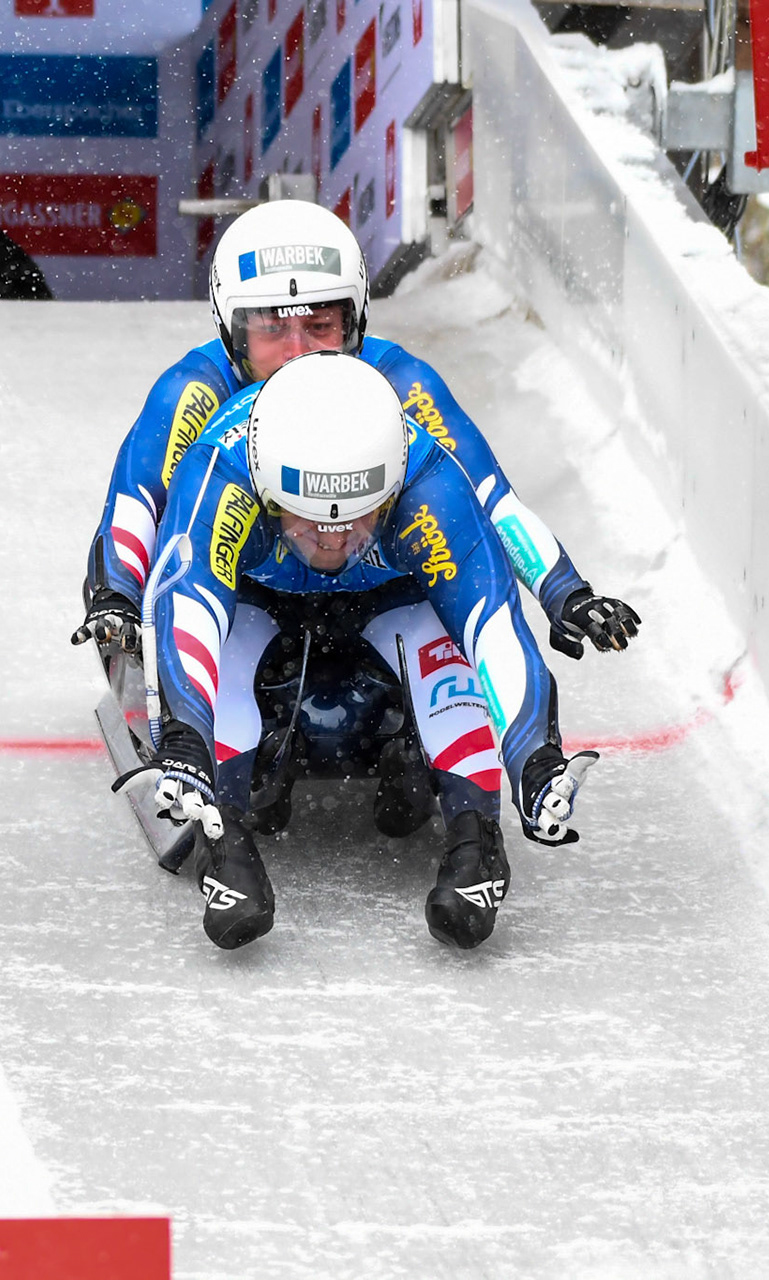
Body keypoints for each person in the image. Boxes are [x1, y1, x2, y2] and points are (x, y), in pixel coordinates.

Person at [141, 351, 596, 952]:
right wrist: (184, 742)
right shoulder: (221, 471)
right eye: (309, 520)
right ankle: (226, 842)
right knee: (226, 646)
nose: (332, 542)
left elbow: (493, 627)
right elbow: (188, 601)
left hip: (389, 599)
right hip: (258, 599)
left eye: (357, 520)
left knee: (442, 643)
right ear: (266, 494)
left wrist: (535, 763)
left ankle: (475, 837)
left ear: (393, 490)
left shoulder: (430, 481)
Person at [76, 200, 639, 668]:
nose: (296, 353)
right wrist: (116, 598)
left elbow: (488, 497)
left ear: (355, 320)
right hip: (249, 595)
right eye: (271, 329)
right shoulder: (194, 391)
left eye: (320, 326)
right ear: (232, 330)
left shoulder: (403, 382)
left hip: (381, 592)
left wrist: (567, 593)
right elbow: (140, 500)